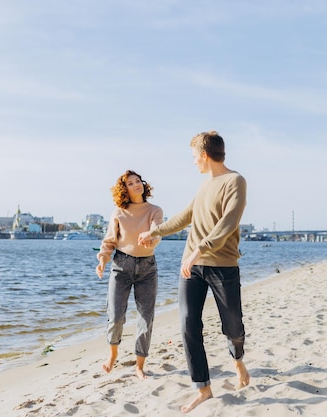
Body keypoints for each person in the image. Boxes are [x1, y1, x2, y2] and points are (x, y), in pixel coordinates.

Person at [138, 131, 249, 413]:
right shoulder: (203, 185)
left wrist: (201, 248)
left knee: (233, 326)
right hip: (193, 266)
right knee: (188, 325)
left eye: (193, 157)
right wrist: (154, 231)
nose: (193, 163)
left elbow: (228, 223)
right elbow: (185, 216)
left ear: (204, 155)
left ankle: (237, 358)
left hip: (223, 266)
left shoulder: (234, 181)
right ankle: (203, 388)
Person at [96, 170, 163, 380]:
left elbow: (157, 230)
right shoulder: (118, 212)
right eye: (131, 183)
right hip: (121, 266)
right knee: (116, 317)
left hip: (147, 268)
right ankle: (112, 355)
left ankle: (139, 365)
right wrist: (102, 260)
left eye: (138, 181)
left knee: (146, 318)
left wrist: (150, 237)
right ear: (124, 189)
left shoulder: (155, 210)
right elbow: (109, 241)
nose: (136, 185)